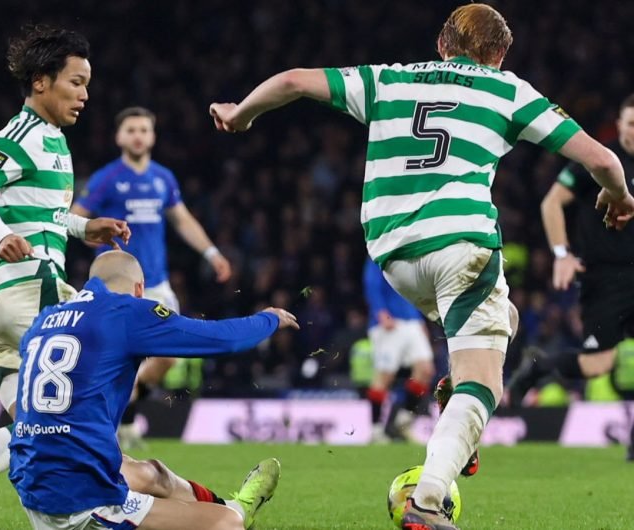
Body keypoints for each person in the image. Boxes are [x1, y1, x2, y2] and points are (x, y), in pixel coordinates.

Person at [209, 4, 634, 528]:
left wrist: (242, 113)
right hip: (460, 245)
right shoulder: (507, 91)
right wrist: (618, 197)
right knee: (487, 383)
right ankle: (428, 499)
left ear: (441, 44)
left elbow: (295, 79)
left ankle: (457, 411)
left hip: (393, 257)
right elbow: (604, 161)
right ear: (500, 55)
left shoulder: (388, 79)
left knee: (507, 325)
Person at [0, 25, 130, 528]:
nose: (85, 94)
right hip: (34, 293)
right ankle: (103, 509)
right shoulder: (24, 133)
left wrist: (82, 226)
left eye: (87, 83)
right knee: (85, 411)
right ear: (40, 82)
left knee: (36, 428)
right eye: (75, 82)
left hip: (7, 310)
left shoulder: (52, 140)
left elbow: (38, 213)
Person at [10, 250, 297, 530]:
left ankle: (228, 505)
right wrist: (268, 320)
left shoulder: (45, 320)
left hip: (35, 479)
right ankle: (235, 512)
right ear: (139, 288)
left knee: (152, 474)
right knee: (227, 525)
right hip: (79, 501)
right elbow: (217, 339)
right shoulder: (124, 312)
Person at [71, 106, 232, 448]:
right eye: (131, 130)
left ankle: (126, 411)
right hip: (115, 288)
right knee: (111, 356)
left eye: (144, 129)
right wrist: (90, 235)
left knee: (167, 356)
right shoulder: (106, 178)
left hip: (155, 283)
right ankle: (108, 426)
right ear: (119, 137)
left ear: (153, 136)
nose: (138, 136)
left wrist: (212, 253)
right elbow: (76, 218)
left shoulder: (163, 178)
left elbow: (182, 220)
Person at [507, 94, 634, 460]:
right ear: (620, 125)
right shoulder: (599, 160)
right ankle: (537, 367)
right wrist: (562, 254)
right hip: (605, 278)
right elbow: (552, 203)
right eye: (629, 124)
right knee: (599, 364)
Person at [363, 257, 435, 443]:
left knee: (425, 370)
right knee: (385, 376)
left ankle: (403, 421)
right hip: (390, 322)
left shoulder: (412, 254)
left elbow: (415, 291)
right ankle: (376, 431)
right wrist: (380, 311)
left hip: (412, 321)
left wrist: (420, 319)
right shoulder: (380, 250)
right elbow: (371, 281)